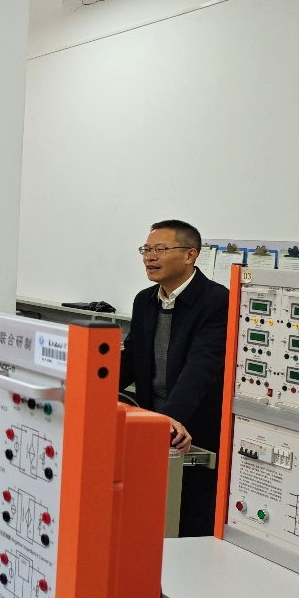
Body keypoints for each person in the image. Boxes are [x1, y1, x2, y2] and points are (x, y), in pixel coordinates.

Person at [120, 219, 228, 538]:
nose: (149, 257)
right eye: (146, 249)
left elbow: (202, 367)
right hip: (154, 425)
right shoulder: (145, 300)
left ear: (190, 255)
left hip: (193, 431)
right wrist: (88, 389)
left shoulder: (216, 301)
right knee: (146, 520)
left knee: (187, 522)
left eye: (160, 249)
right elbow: (131, 359)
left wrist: (168, 419)